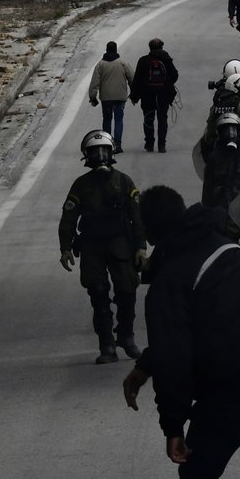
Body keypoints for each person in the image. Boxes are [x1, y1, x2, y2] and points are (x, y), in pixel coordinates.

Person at [121, 186, 240, 479]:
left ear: (149, 231)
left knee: (197, 473)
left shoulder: (168, 280)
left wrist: (173, 429)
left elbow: (174, 357)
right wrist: (145, 366)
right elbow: (202, 322)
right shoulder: (226, 248)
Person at [58, 130, 147, 364]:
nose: (100, 156)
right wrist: (65, 248)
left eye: (104, 151)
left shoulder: (124, 181)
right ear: (87, 156)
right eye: (95, 152)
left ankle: (126, 336)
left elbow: (137, 218)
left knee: (127, 291)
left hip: (121, 244)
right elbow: (68, 218)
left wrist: (140, 247)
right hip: (92, 247)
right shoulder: (80, 186)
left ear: (112, 153)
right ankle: (106, 344)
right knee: (98, 294)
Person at [130, 38, 179, 153]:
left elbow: (137, 79)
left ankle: (149, 143)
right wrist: (167, 83)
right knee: (162, 119)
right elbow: (175, 75)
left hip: (148, 95)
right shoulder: (166, 59)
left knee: (148, 118)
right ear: (161, 47)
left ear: (150, 48)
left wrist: (134, 96)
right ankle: (162, 145)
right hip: (163, 95)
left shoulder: (143, 60)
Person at [88, 40, 134, 154]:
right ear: (116, 49)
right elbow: (132, 78)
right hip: (120, 97)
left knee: (107, 120)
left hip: (106, 98)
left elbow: (94, 83)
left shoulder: (100, 64)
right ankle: (118, 145)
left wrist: (93, 97)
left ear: (106, 49)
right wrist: (134, 94)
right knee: (119, 120)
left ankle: (107, 144)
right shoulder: (123, 63)